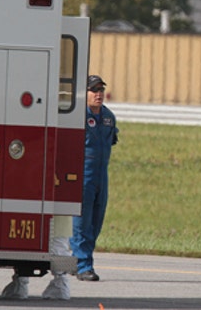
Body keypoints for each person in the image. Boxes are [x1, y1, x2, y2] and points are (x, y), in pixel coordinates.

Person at [70, 74, 119, 281]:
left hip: (101, 175)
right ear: (85, 93)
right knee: (82, 222)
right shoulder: (78, 116)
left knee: (96, 221)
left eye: (100, 90)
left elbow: (112, 141)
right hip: (83, 174)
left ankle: (78, 260)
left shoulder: (108, 117)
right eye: (94, 90)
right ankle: (83, 265)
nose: (98, 94)